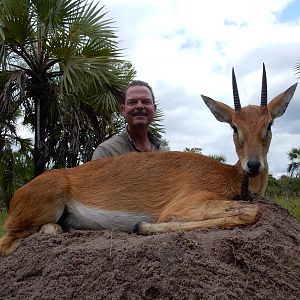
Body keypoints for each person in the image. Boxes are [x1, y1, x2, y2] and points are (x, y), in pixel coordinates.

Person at [92, 80, 164, 160]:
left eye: (146, 102)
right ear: (123, 110)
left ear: (154, 109)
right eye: (132, 102)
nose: (139, 106)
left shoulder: (164, 153)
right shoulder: (106, 152)